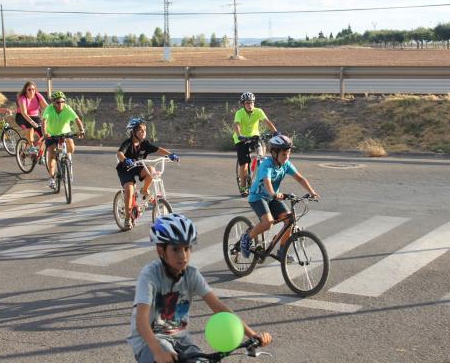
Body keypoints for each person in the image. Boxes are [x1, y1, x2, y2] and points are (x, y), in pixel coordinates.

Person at [128, 213, 272, 363]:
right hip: (149, 342)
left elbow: (219, 307)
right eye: (175, 249)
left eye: (186, 248)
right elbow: (141, 320)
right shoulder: (150, 275)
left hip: (181, 339)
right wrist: (157, 352)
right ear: (160, 250)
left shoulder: (191, 275)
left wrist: (253, 335)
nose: (183, 255)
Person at [240, 134, 319, 260]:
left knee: (290, 221)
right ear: (274, 153)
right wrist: (273, 193)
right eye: (283, 154)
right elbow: (267, 180)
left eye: (288, 153)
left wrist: (312, 192)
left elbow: (300, 178)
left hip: (273, 198)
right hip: (258, 197)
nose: (286, 157)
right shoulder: (267, 164)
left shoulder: (286, 164)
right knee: (268, 223)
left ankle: (282, 251)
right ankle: (247, 238)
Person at [116, 117, 179, 231]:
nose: (143, 132)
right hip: (126, 169)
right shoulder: (128, 143)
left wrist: (171, 154)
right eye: (140, 130)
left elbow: (158, 149)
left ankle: (144, 190)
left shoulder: (144, 144)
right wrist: (125, 160)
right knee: (129, 191)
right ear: (133, 132)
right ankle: (127, 218)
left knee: (151, 168)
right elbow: (120, 153)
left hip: (139, 166)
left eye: (144, 130)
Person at [233, 91, 278, 197]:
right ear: (243, 104)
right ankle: (243, 187)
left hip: (254, 137)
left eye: (252, 103)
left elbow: (267, 122)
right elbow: (236, 125)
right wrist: (240, 135)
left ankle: (260, 170)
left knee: (261, 158)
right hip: (241, 139)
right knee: (244, 165)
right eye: (248, 103)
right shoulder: (239, 113)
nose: (250, 105)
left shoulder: (258, 111)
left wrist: (276, 132)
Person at [42, 91, 85, 189]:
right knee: (52, 154)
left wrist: (81, 130)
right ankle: (52, 178)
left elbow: (77, 119)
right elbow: (44, 121)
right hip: (51, 134)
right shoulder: (49, 109)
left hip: (65, 133)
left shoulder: (67, 108)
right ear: (53, 103)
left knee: (71, 148)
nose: (60, 104)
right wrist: (45, 133)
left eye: (62, 102)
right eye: (58, 102)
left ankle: (67, 161)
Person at [15, 81, 48, 151]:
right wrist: (31, 122)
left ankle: (41, 154)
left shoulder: (38, 95)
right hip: (22, 116)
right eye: (29, 89)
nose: (31, 91)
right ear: (25, 90)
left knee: (44, 134)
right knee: (29, 126)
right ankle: (31, 146)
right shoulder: (22, 98)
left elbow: (47, 107)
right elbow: (24, 113)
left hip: (35, 116)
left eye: (33, 89)